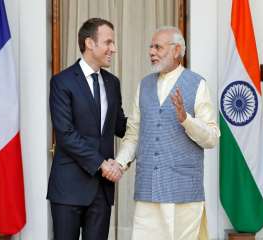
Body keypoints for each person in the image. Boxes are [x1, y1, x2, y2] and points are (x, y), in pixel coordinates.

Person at [116, 26, 220, 240]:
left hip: (183, 192)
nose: (151, 52)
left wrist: (186, 119)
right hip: (148, 190)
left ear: (176, 50)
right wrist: (119, 163)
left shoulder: (197, 84)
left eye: (158, 47)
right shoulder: (143, 85)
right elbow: (134, 133)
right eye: (151, 47)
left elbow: (212, 138)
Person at [47, 18, 126, 240]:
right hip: (67, 189)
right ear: (90, 43)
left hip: (101, 191)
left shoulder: (113, 83)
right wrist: (102, 164)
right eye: (108, 42)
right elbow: (66, 135)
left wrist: (154, 119)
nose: (114, 48)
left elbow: (120, 126)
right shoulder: (61, 82)